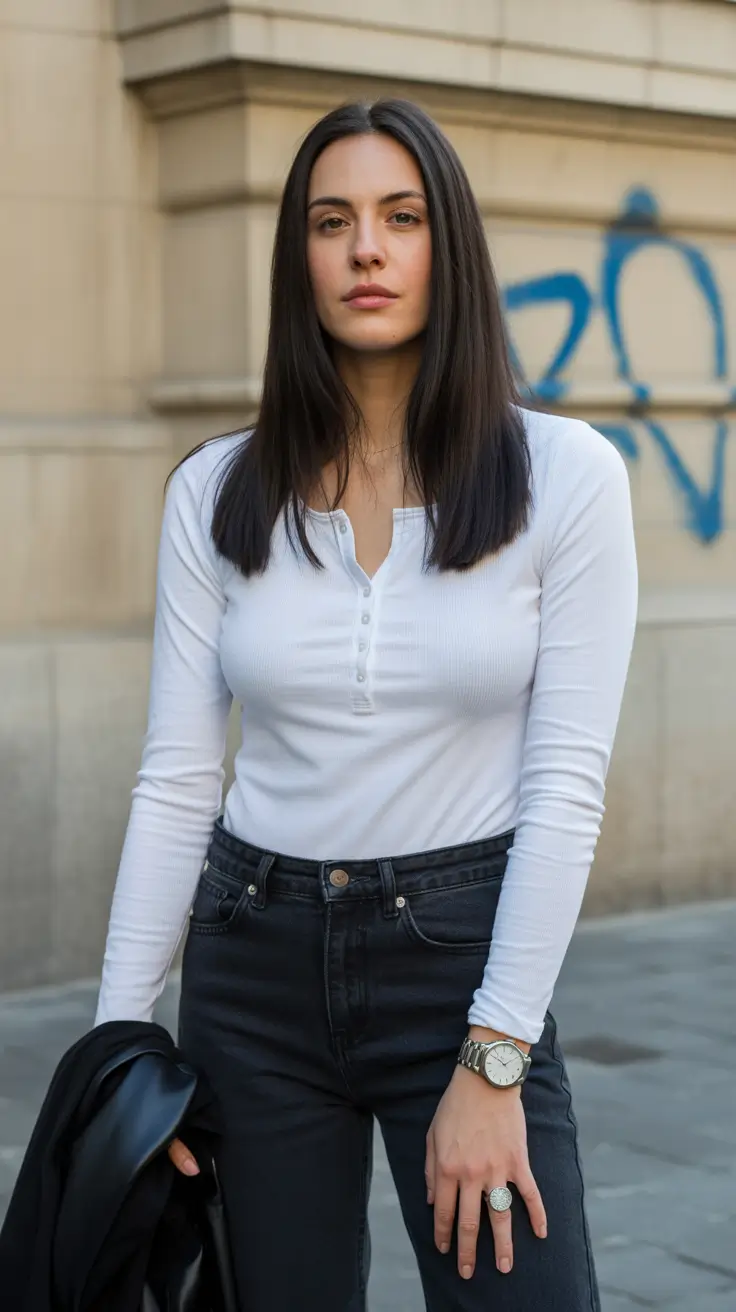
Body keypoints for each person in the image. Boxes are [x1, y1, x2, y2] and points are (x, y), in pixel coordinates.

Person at [94, 98, 638, 1311]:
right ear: (299, 258)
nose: (366, 250)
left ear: (448, 243)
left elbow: (564, 787)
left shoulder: (565, 479)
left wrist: (493, 1061)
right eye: (331, 221)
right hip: (251, 969)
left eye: (400, 217)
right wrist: (117, 1049)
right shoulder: (214, 492)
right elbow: (179, 779)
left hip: (461, 960)